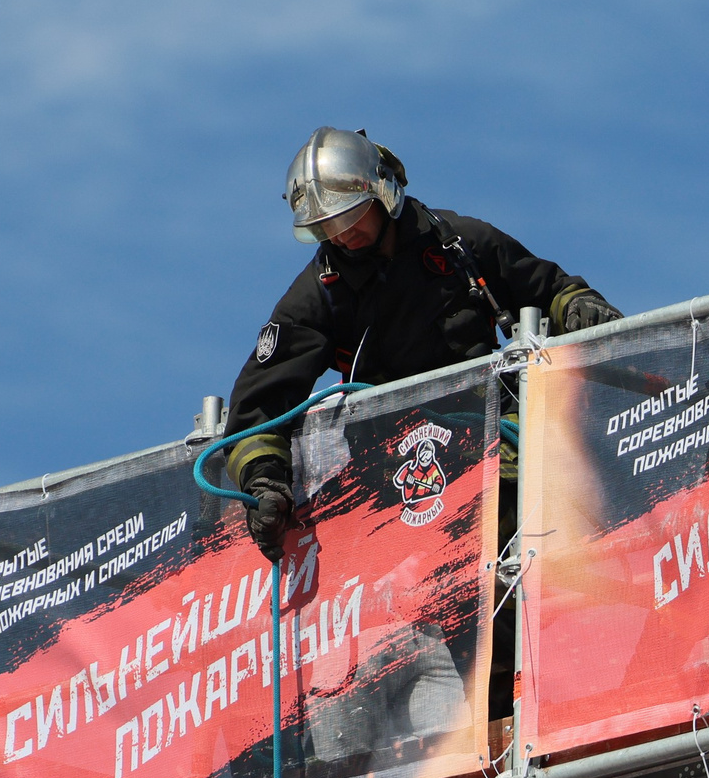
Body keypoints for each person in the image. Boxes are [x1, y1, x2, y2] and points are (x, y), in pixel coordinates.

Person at [222, 127, 621, 562]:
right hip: (399, 484)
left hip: (498, 453)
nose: (339, 236)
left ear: (381, 193)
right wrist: (264, 481)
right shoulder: (317, 296)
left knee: (559, 528)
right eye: (324, 226)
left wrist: (581, 309)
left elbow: (552, 290)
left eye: (346, 217)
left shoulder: (460, 244)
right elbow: (257, 408)